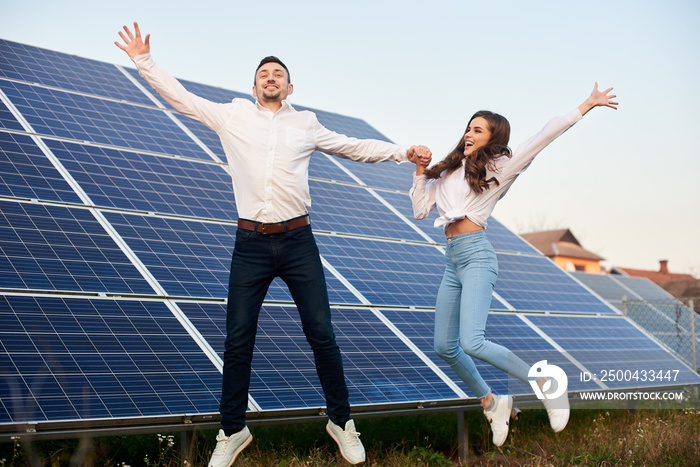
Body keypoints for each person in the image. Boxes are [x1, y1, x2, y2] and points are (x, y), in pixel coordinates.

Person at [115, 22, 431, 466]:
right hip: (251, 244)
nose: (270, 77)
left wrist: (402, 151)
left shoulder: (306, 124)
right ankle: (232, 431)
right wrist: (144, 60)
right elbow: (181, 98)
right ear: (253, 84)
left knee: (322, 333)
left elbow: (354, 147)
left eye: (278, 73)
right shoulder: (232, 115)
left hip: (299, 241)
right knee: (238, 339)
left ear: (289, 86)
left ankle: (342, 423)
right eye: (264, 73)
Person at [409, 84, 618, 447]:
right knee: (444, 346)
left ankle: (547, 384)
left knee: (471, 341)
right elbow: (419, 210)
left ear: (493, 137)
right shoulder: (447, 172)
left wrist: (585, 105)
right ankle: (493, 402)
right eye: (467, 127)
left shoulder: (500, 167)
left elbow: (543, 136)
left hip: (477, 256)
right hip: (452, 260)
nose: (468, 134)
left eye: (477, 129)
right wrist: (419, 171)